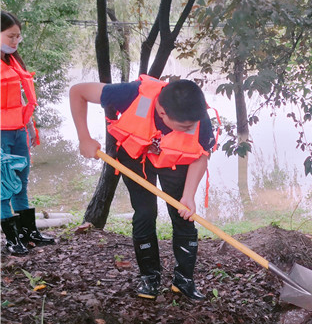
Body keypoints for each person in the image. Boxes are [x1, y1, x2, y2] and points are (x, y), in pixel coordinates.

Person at [69, 74, 216, 301]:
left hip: (174, 161)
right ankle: (150, 276)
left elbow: (200, 156)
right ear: (163, 112)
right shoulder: (131, 94)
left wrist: (189, 196)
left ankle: (184, 280)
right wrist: (83, 138)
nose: (192, 128)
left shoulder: (198, 118)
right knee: (145, 213)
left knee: (184, 214)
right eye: (185, 126)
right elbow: (78, 91)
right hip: (135, 157)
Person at [1, 11, 55, 256]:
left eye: (18, 37)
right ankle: (12, 240)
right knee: (3, 186)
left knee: (21, 182)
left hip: (19, 132)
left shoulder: (14, 62)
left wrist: (30, 126)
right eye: (10, 36)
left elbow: (21, 100)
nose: (15, 42)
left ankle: (28, 233)